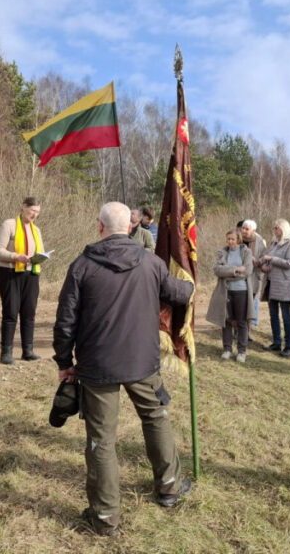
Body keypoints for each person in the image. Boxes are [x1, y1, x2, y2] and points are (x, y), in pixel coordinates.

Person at [53, 201, 194, 537]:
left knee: (102, 438)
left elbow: (65, 321)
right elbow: (178, 293)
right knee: (156, 418)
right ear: (130, 227)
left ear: (99, 226)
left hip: (100, 364)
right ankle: (169, 488)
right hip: (139, 362)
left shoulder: (83, 265)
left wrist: (64, 361)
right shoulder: (149, 263)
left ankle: (105, 517)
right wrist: (191, 282)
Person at [0, 196, 45, 364]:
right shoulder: (9, 225)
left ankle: (27, 350)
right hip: (10, 273)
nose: (35, 215)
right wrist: (16, 256)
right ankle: (6, 352)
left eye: (37, 212)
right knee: (11, 313)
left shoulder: (37, 231)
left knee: (29, 313)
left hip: (31, 274)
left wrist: (40, 257)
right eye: (32, 211)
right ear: (23, 207)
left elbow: (41, 251)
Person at [206, 229, 255, 363]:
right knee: (226, 321)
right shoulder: (222, 252)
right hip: (226, 291)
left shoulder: (246, 252)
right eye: (228, 239)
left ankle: (242, 351)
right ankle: (227, 349)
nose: (230, 242)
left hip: (242, 291)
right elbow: (217, 270)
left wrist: (227, 273)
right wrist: (235, 270)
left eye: (232, 239)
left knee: (241, 322)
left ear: (238, 239)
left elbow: (248, 271)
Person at [260, 218, 290, 358]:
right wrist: (264, 266)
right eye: (273, 228)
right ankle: (277, 342)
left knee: (286, 315)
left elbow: (289, 263)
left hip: (285, 284)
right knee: (273, 314)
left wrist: (271, 260)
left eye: (276, 228)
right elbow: (269, 260)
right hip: (271, 283)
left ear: (283, 229)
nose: (274, 230)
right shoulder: (274, 243)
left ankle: (288, 346)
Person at [239, 219, 267, 339]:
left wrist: (259, 262)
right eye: (243, 228)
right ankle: (237, 330)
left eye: (246, 229)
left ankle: (247, 332)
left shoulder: (260, 241)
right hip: (238, 277)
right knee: (238, 305)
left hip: (253, 277)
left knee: (250, 306)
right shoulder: (238, 239)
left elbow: (263, 258)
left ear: (253, 230)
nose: (243, 231)